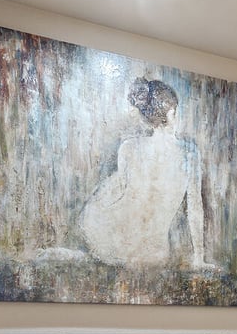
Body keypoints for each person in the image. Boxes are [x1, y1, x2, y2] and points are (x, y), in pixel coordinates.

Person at [79, 77, 210, 268]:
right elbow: (195, 207)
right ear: (172, 113)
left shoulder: (129, 147)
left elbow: (119, 193)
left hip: (113, 244)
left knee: (111, 191)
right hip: (153, 254)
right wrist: (199, 258)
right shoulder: (190, 153)